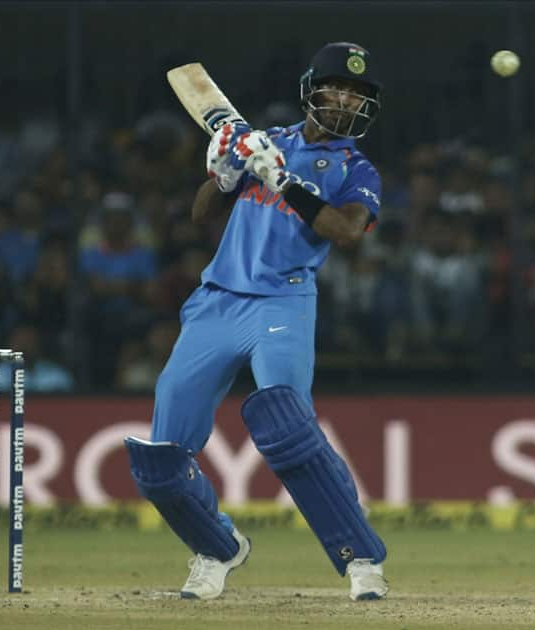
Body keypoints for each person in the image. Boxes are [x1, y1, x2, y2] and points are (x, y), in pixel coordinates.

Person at [124, 42, 389, 601]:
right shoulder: (265, 142)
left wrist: (283, 182)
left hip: (283, 301)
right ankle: (216, 549)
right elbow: (199, 214)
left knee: (289, 430)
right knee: (161, 456)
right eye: (337, 87)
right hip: (216, 301)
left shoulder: (356, 168)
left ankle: (361, 558)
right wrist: (225, 172)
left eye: (357, 94)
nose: (346, 100)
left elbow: (344, 232)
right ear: (312, 89)